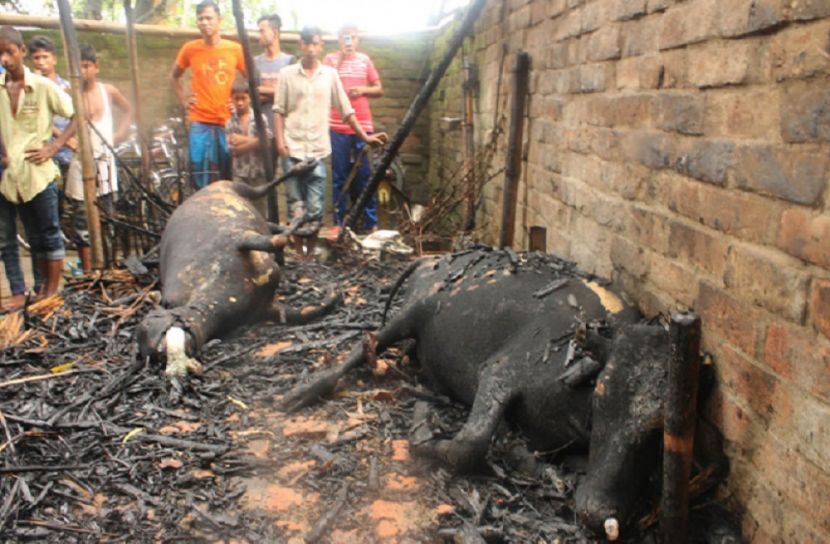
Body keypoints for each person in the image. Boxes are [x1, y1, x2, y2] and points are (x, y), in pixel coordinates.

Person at [274, 26, 386, 261]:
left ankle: (311, 253)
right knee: (296, 205)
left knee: (315, 209)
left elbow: (346, 110)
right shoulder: (286, 74)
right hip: (292, 148)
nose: (312, 49)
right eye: (308, 44)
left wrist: (365, 136)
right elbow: (278, 111)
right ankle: (300, 253)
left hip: (317, 149)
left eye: (316, 44)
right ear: (301, 45)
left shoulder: (330, 75)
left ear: (321, 46)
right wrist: (280, 142)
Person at [0, 26, 77, 298]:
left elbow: (78, 113)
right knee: (32, 237)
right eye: (0, 54)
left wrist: (55, 146)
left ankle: (50, 293)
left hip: (40, 174)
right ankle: (41, 288)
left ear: (22, 51)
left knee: (50, 233)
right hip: (14, 177)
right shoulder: (0, 89)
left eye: (10, 52)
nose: (6, 59)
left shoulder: (43, 86)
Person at [64, 43, 132, 273]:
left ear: (96, 67)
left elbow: (128, 110)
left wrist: (119, 134)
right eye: (78, 67)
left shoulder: (108, 91)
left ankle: (110, 266)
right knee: (82, 220)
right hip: (80, 164)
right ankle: (88, 271)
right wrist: (65, 140)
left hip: (105, 164)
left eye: (86, 66)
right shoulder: (69, 94)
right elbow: (52, 123)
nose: (83, 71)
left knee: (108, 216)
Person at [171, 0, 246, 189]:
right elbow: (173, 77)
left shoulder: (234, 49)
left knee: (226, 170)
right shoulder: (190, 49)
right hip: (199, 119)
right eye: (200, 19)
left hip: (225, 120)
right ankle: (200, 211)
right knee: (197, 168)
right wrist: (184, 100)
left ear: (219, 20)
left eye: (209, 18)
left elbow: (251, 81)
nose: (205, 22)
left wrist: (237, 102)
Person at [323, 24, 384, 232]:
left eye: (352, 37)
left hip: (363, 124)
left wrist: (363, 89)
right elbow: (324, 85)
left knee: (365, 175)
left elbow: (379, 89)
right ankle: (338, 223)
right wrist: (340, 60)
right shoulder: (330, 60)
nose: (349, 41)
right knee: (339, 175)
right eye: (344, 37)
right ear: (338, 39)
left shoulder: (364, 60)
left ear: (358, 40)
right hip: (337, 124)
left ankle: (370, 223)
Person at [226, 78, 272, 217]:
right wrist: (256, 142)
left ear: (250, 98)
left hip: (258, 172)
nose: (240, 102)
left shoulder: (260, 119)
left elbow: (267, 143)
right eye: (237, 99)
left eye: (243, 98)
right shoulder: (230, 122)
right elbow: (233, 150)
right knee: (240, 211)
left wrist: (242, 140)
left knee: (260, 211)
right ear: (232, 99)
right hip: (240, 173)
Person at [254, 14, 294, 134]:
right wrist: (278, 92)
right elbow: (253, 95)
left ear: (275, 33)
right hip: (261, 130)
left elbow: (290, 95)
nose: (258, 36)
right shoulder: (255, 62)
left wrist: (263, 90)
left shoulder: (289, 61)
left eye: (262, 31)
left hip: (285, 129)